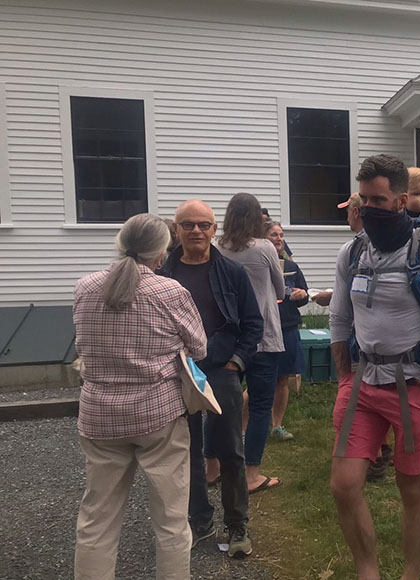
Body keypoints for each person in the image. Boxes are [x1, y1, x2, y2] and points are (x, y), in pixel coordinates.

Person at [329, 154, 420, 580]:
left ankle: (410, 573)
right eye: (363, 199)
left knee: (411, 488)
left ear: (402, 201)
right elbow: (338, 318)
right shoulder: (351, 254)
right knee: (344, 485)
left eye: (379, 199)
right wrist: (345, 375)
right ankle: (368, 571)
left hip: (411, 388)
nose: (369, 208)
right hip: (362, 385)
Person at [73, 214, 207, 580]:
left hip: (99, 415)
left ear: (119, 243)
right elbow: (199, 347)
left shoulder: (84, 287)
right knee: (171, 521)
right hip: (158, 416)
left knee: (96, 520)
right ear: (162, 252)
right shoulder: (170, 292)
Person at [159, 200, 263, 558]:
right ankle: (198, 520)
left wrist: (236, 362)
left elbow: (253, 324)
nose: (196, 232)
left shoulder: (231, 272)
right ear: (177, 230)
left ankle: (237, 525)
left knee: (231, 452)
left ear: (214, 229)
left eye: (203, 225)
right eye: (188, 225)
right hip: (176, 373)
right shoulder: (161, 275)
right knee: (185, 451)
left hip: (221, 371)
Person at [215, 192, 285, 494]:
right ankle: (251, 473)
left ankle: (211, 468)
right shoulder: (264, 247)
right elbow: (280, 285)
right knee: (259, 407)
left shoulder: (217, 248)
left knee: (219, 406)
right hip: (264, 336)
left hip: (229, 338)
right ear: (258, 219)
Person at [266, 221, 309, 441]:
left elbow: (305, 294)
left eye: (281, 235)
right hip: (267, 329)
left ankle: (277, 426)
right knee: (263, 379)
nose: (279, 238)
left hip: (289, 327)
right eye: (274, 234)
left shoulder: (291, 267)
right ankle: (243, 426)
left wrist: (302, 295)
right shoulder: (259, 265)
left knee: (283, 379)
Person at [313, 193, 363, 308]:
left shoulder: (353, 249)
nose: (347, 218)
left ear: (355, 212)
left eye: (348, 212)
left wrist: (332, 297)